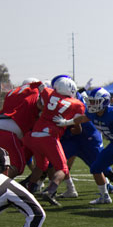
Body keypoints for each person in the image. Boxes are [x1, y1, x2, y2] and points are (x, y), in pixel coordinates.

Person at [54, 87, 113, 205]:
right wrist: (65, 122)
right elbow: (81, 118)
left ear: (104, 101)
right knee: (95, 168)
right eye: (91, 101)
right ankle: (104, 196)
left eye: (95, 101)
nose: (91, 104)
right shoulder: (92, 113)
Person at [23, 75, 85, 206]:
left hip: (35, 134)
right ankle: (50, 191)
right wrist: (67, 122)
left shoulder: (48, 93)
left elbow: (38, 85)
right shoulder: (77, 104)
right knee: (63, 168)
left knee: (40, 166)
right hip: (49, 136)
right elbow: (83, 119)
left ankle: (27, 193)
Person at [0, 78, 42, 178]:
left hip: (4, 125)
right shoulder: (34, 91)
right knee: (17, 166)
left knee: (4, 164)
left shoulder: (12, 92)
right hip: (8, 132)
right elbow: (41, 106)